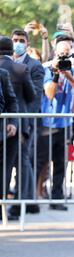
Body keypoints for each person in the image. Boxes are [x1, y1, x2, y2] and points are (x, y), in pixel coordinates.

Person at [38, 39, 74, 210]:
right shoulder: (46, 69)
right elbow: (49, 94)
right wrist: (57, 73)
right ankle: (34, 195)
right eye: (60, 53)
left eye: (67, 53)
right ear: (54, 52)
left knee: (60, 162)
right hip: (47, 122)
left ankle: (56, 198)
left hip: (64, 123)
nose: (63, 56)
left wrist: (69, 76)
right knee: (41, 160)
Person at [9, 29, 45, 216]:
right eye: (15, 40)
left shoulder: (35, 66)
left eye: (21, 40)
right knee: (17, 161)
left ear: (28, 44)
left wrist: (24, 123)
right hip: (7, 122)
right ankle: (30, 202)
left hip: (25, 122)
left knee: (22, 161)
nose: (18, 43)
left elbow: (35, 98)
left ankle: (18, 205)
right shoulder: (6, 63)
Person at [0, 36, 36, 217]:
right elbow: (31, 96)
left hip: (8, 125)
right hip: (16, 125)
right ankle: (15, 206)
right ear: (11, 50)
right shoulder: (20, 69)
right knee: (14, 165)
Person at [0, 67, 19, 221]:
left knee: (2, 172)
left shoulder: (2, 74)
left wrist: (13, 121)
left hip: (1, 132)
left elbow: (12, 100)